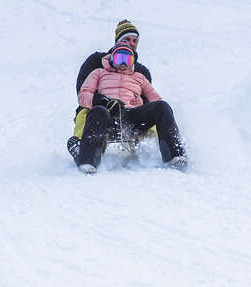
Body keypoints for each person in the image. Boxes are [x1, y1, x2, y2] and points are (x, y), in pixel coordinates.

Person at [75, 42, 187, 173]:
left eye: (127, 60)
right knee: (98, 112)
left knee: (162, 107)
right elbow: (83, 95)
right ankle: (87, 161)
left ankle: (175, 154)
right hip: (108, 116)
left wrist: (142, 105)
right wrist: (103, 101)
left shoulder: (139, 77)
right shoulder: (99, 73)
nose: (123, 63)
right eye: (119, 58)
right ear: (111, 58)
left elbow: (156, 100)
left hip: (132, 117)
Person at [67, 19, 152, 161]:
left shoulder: (141, 71)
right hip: (100, 111)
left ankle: (154, 148)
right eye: (127, 39)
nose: (131, 43)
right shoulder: (96, 61)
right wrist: (103, 102)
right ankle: (82, 145)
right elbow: (82, 91)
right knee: (84, 111)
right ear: (117, 41)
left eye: (134, 40)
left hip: (130, 114)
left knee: (151, 114)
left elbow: (147, 100)